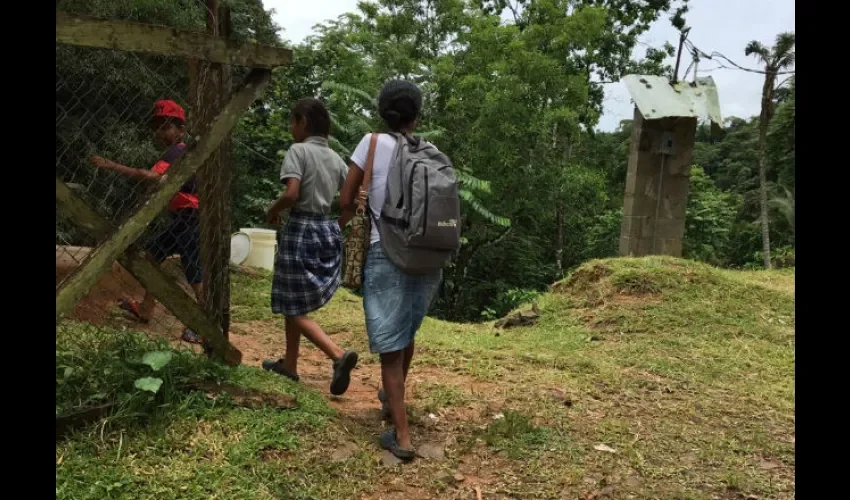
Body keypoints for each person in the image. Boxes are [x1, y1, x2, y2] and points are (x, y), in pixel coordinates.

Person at [340, 80, 443, 460]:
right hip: (428, 257)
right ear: (417, 116)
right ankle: (391, 400)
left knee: (389, 349)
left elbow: (346, 199)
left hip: (385, 253)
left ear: (383, 112)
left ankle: (401, 437)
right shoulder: (431, 152)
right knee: (405, 332)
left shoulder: (370, 144)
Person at [262, 97, 359, 396]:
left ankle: (337, 355)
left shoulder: (298, 151)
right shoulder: (336, 160)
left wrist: (272, 210)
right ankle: (290, 365)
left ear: (302, 122)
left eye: (292, 122)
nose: (291, 128)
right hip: (325, 228)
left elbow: (291, 194)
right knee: (295, 301)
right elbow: (352, 203)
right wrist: (335, 226)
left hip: (300, 228)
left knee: (291, 305)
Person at [90, 99, 204, 345]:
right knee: (152, 258)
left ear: (180, 129)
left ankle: (205, 325)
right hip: (181, 219)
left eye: (165, 127)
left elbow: (150, 176)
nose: (159, 132)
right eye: (157, 127)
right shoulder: (179, 152)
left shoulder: (177, 151)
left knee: (195, 274)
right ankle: (145, 309)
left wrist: (112, 165)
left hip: (190, 218)